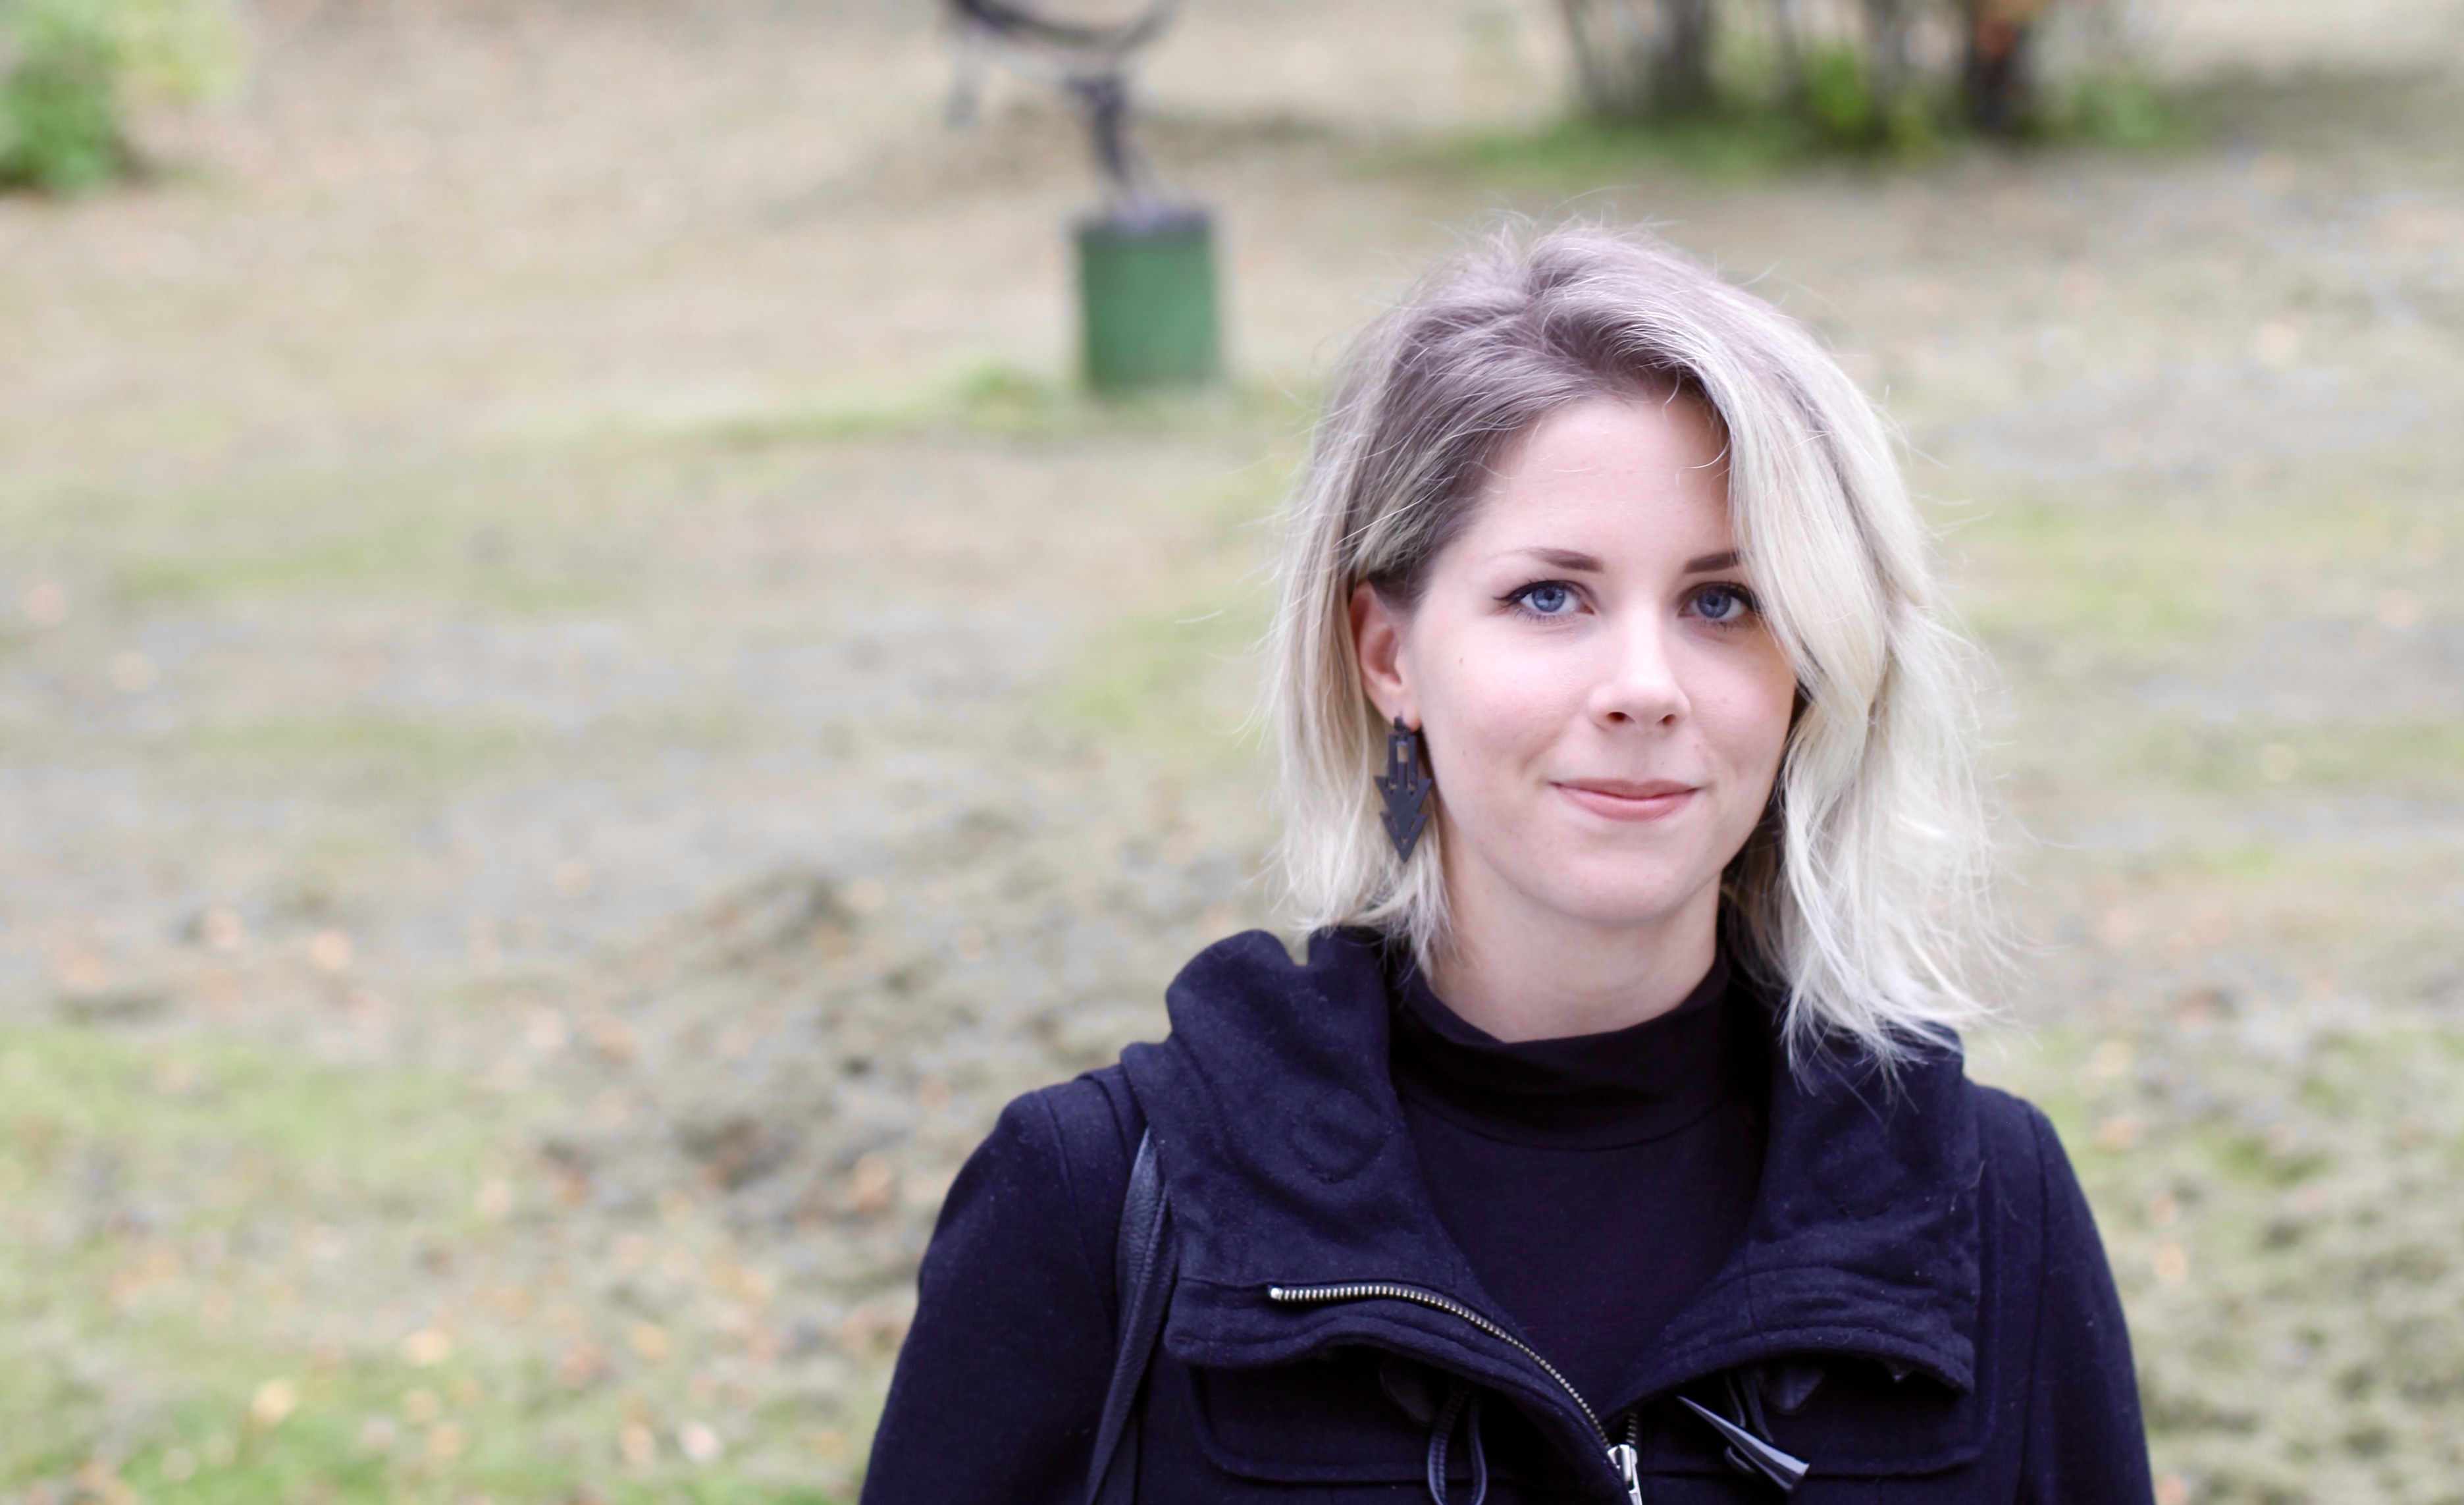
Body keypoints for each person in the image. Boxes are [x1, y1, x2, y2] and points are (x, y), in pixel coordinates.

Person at [861, 223, 2154, 1503]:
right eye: (1550, 595)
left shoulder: (1991, 1209)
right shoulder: (1090, 1206)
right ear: (1388, 655)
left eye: (1722, 601)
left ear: (1808, 668)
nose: (1644, 686)